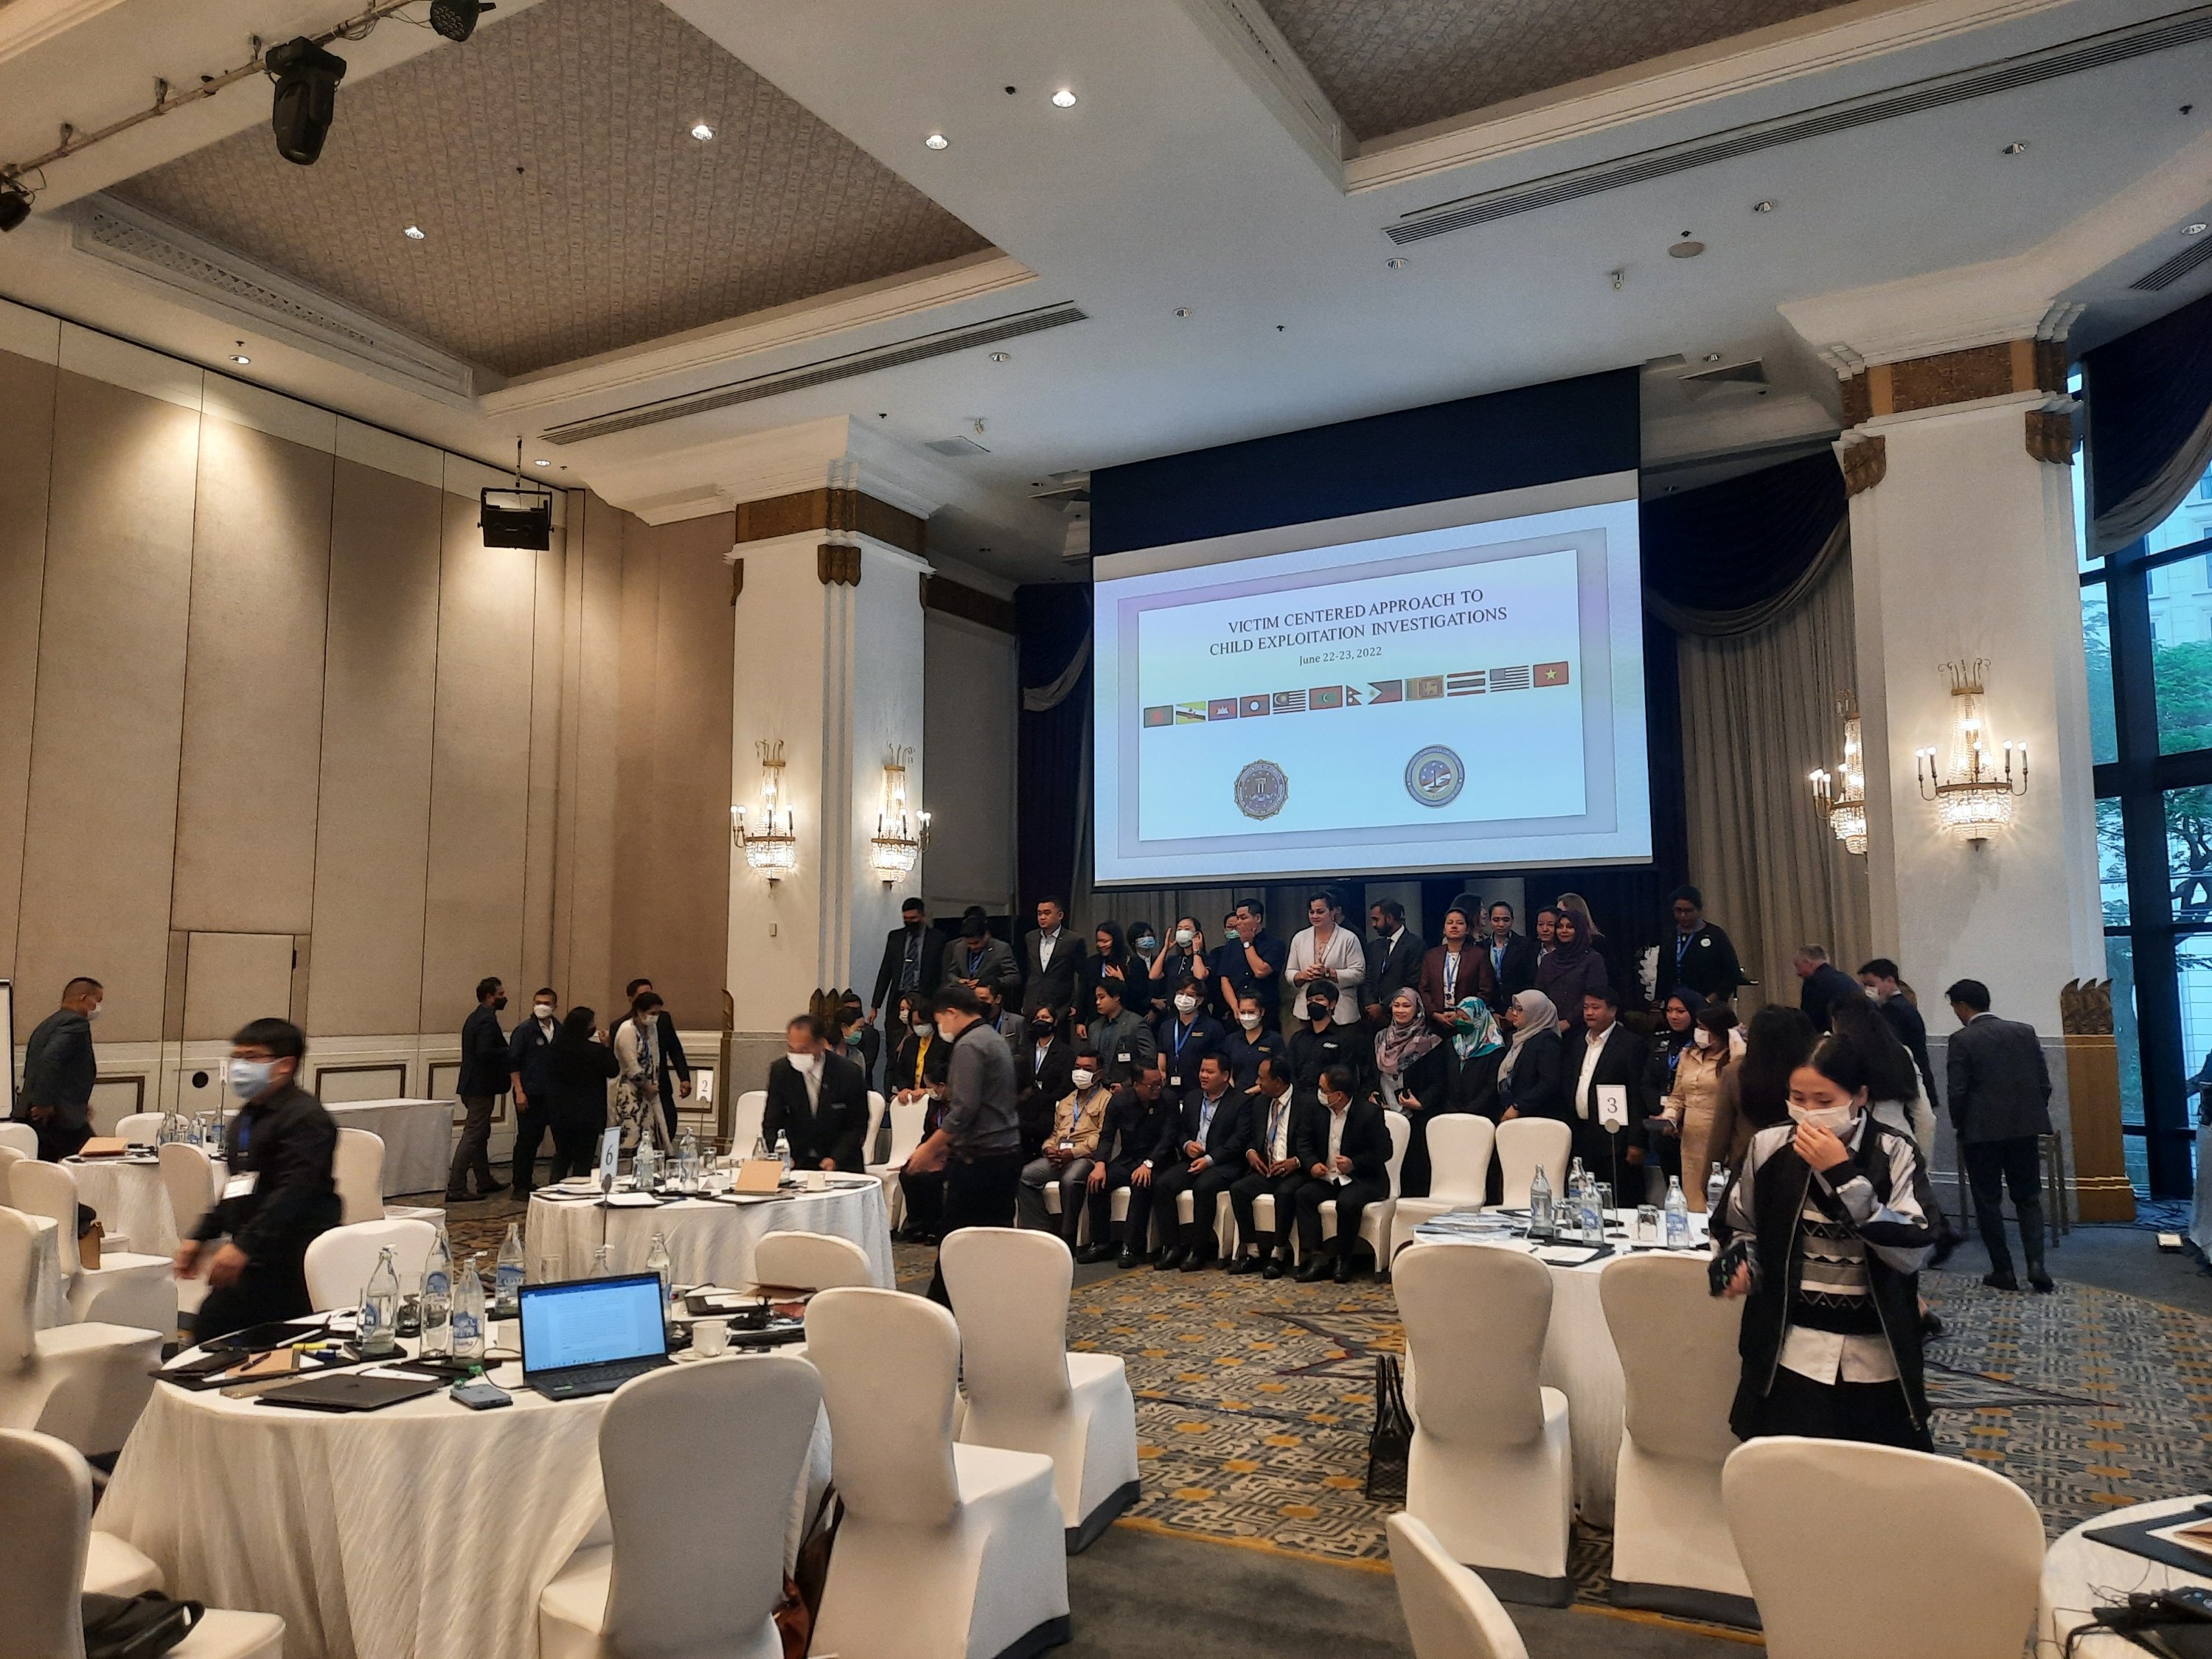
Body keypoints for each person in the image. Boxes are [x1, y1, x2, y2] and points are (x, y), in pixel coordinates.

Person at [1716, 1031, 1936, 1450]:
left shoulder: (1894, 1151)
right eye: (1798, 1098)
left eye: (1824, 1100)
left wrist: (1843, 1176)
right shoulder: (1768, 1145)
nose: (1809, 1113)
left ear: (1859, 1096)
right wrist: (1739, 1265)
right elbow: (1737, 1224)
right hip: (1790, 1349)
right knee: (1786, 1469)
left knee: (1877, 1475)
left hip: (1877, 1353)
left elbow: (1912, 1249)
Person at [175, 1018, 339, 1340]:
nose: (239, 1066)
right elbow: (239, 1185)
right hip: (255, 1250)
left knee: (235, 1334)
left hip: (293, 1255)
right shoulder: (249, 1116)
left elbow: (294, 1191)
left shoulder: (306, 1118)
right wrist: (201, 1235)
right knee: (213, 1331)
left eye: (251, 1057)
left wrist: (244, 1246)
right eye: (236, 1057)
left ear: (285, 1065)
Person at [904, 984, 1023, 1305]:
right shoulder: (993, 1038)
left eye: (939, 1020)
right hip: (1003, 1154)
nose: (940, 1028)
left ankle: (942, 1314)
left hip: (980, 1162)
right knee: (992, 1243)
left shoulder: (969, 1045)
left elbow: (964, 1110)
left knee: (956, 1245)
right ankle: (989, 1308)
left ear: (951, 1013)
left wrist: (929, 1148)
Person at [1944, 978, 2055, 1293]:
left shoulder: (1962, 1040)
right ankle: (2037, 1264)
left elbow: (1958, 1091)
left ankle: (2003, 1270)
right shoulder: (2024, 1032)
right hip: (2024, 1128)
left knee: (1988, 1201)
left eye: (1955, 1007)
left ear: (1962, 1006)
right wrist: (2030, 1114)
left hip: (1981, 1132)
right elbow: (2044, 1083)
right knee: (2028, 1197)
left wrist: (1960, 1125)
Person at [1149, 1052, 1250, 1272]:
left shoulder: (1241, 1101)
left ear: (1225, 1076)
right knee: (1163, 1184)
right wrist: (1186, 1144)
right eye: (1202, 1070)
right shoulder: (1193, 1098)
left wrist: (1210, 1159)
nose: (1203, 1075)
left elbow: (1239, 1140)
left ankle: (1198, 1250)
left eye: (1210, 1072)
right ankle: (1172, 1246)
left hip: (1223, 1164)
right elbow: (1179, 1129)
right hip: (1192, 1159)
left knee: (1203, 1187)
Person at [1293, 1065, 1392, 1283]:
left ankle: (1343, 1259)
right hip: (1328, 1176)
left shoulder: (1369, 1113)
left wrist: (1354, 1164)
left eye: (1323, 1090)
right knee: (1303, 1195)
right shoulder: (1315, 1108)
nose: (1319, 1093)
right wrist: (1312, 1164)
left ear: (1338, 1095)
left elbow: (1384, 1151)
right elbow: (1304, 1141)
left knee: (1347, 1203)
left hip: (1362, 1178)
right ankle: (1317, 1257)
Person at [1708, 1005, 1818, 1173]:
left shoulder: (1735, 1073)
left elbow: (1720, 1132)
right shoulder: (1804, 1073)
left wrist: (1709, 1176)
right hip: (1798, 1161)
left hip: (1746, 1164)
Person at [1018, 1045, 1109, 1243]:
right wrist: (1049, 1149)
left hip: (1085, 1158)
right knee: (1025, 1176)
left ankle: (1068, 1235)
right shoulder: (1067, 1101)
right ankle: (1040, 1231)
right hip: (1058, 1156)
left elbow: (1102, 1137)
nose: (1080, 1073)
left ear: (1099, 1074)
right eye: (1077, 1068)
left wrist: (1073, 1153)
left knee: (1071, 1180)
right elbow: (1054, 1133)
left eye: (1087, 1069)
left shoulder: (1107, 1100)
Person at [1568, 987, 1653, 1195]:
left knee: (1619, 1197)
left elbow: (1637, 1095)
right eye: (1586, 1007)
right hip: (1583, 1134)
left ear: (1613, 1011)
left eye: (1595, 1007)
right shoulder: (1577, 1042)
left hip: (1617, 1140)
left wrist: (1636, 1141)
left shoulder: (1631, 1044)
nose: (1589, 1013)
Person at [1087, 1062, 1174, 1267]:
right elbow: (1107, 1136)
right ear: (1136, 1085)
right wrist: (1100, 1164)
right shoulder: (1120, 1102)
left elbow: (1168, 1137)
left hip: (1158, 1160)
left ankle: (1131, 1246)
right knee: (1097, 1183)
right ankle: (1101, 1242)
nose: (1157, 1089)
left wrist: (1149, 1163)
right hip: (1128, 1158)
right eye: (1152, 1085)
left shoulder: (1168, 1100)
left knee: (1140, 1184)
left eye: (1160, 1083)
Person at [1227, 1056, 1307, 1277]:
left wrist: (1296, 1161)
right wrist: (1251, 1153)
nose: (1257, 1082)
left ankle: (1278, 1254)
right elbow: (1250, 1138)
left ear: (1278, 1082)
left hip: (1294, 1170)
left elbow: (1316, 1143)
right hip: (1267, 1168)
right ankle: (1253, 1252)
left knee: (1285, 1193)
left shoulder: (1305, 1103)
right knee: (1238, 1189)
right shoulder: (1260, 1103)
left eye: (1262, 1078)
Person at [763, 1013, 871, 1173]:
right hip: (797, 1162)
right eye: (792, 1049)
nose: (797, 1056)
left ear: (821, 1044)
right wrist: (782, 1155)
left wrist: (836, 1159)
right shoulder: (781, 1071)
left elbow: (857, 1125)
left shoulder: (848, 1072)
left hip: (840, 1163)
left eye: (804, 1050)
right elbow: (772, 1122)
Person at [1658, 1000, 1735, 1210]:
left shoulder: (1734, 1060)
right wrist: (1670, 1117)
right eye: (1698, 1027)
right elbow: (1677, 1096)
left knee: (1717, 1198)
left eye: (1704, 1028)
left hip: (1719, 1136)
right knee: (1693, 1198)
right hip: (1690, 1139)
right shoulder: (1688, 1055)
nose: (1698, 1032)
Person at [16, 975, 102, 1161]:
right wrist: (43, 1103)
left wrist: (77, 1104)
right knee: (93, 1161)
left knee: (46, 1167)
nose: (98, 1007)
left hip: (39, 1113)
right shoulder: (76, 1023)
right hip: (55, 1117)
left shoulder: (47, 1024)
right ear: (84, 998)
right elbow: (50, 1060)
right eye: (98, 1000)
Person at [889, 995, 952, 1242]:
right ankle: (917, 1223)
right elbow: (928, 1132)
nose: (917, 1027)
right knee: (909, 1172)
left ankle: (935, 1225)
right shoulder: (934, 1105)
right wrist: (919, 1153)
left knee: (932, 1177)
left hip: (951, 1154)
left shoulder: (957, 1104)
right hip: (933, 1148)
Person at [1377, 987, 1450, 1196]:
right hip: (1384, 1113)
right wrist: (1372, 1094)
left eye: (1406, 1006)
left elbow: (1440, 1081)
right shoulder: (1380, 1038)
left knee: (1413, 1172)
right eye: (1397, 1005)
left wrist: (1422, 1102)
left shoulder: (1431, 1041)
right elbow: (1369, 1074)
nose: (1400, 1010)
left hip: (1416, 1116)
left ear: (1417, 1010)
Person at [449, 976, 510, 1201]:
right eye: (501, 994)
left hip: (472, 1084)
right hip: (481, 1086)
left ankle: (484, 1180)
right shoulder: (486, 1020)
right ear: (490, 997)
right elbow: (485, 1052)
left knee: (481, 1133)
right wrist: (508, 1051)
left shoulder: (475, 1017)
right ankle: (456, 1186)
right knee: (474, 1135)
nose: (504, 998)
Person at [1643, 987, 1706, 1192]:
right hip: (1662, 1126)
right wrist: (1664, 1116)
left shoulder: (1703, 1045)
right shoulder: (1660, 1042)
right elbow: (1648, 1082)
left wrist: (1680, 1119)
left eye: (1680, 1011)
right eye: (1669, 1011)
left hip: (1692, 1127)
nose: (1673, 1016)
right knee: (1672, 1187)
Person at [545, 1007, 619, 1182]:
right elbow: (612, 1070)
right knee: (584, 1158)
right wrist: (607, 1046)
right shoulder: (595, 1051)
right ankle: (579, 1189)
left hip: (560, 1111)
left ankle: (553, 1188)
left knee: (562, 1155)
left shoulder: (555, 1048)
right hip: (588, 1112)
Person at [620, 978, 694, 1141]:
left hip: (661, 1085)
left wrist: (684, 1077)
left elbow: (674, 1048)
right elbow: (629, 1063)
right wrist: (645, 1085)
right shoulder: (624, 1027)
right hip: (635, 1091)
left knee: (668, 1125)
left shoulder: (660, 1021)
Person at [1858, 959, 1938, 1105]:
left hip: (1907, 1082)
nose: (1867, 990)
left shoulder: (1892, 1009)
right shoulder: (1904, 1005)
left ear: (1890, 980)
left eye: (1871, 984)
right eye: (1864, 985)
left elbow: (1888, 1044)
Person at [507, 987, 561, 1195]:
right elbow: (514, 1064)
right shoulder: (524, 1031)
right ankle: (521, 1185)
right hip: (530, 1093)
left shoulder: (560, 1030)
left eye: (546, 1003)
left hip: (554, 1094)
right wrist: (519, 1092)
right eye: (538, 1002)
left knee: (561, 1140)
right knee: (528, 1141)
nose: (542, 1006)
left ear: (554, 1006)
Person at [1287, 981, 1371, 1107]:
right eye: (1310, 1000)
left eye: (1319, 1000)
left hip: (1329, 1102)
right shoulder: (1298, 1038)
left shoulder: (1344, 1040)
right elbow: (1290, 1070)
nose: (1313, 1004)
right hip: (1298, 1101)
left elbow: (1346, 1075)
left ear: (1332, 1004)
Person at [1419, 902, 1495, 1040]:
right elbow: (1424, 989)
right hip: (1436, 1022)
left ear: (1467, 929)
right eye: (1450, 923)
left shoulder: (1478, 955)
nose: (1454, 926)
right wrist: (1435, 1014)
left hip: (1468, 1022)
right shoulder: (1432, 956)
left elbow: (1486, 991)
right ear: (1444, 930)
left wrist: (1462, 1014)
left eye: (1459, 923)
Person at [1288, 892, 1365, 1027]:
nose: (1315, 916)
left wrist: (1329, 973)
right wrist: (1305, 975)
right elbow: (1290, 972)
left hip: (1341, 1011)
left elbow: (1359, 974)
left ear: (1333, 911)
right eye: (1311, 912)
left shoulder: (1349, 938)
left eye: (1320, 912)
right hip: (1307, 1011)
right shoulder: (1299, 938)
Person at [870, 897, 947, 1030]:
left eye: (913, 918)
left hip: (924, 998)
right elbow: (885, 971)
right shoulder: (896, 937)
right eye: (906, 919)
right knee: (894, 1036)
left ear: (923, 916)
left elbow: (941, 973)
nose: (909, 922)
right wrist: (875, 1006)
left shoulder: (937, 938)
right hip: (898, 998)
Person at [1210, 900, 1288, 1029]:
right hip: (1237, 1011)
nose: (1238, 922)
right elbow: (1225, 979)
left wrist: (1247, 943)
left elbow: (1260, 971)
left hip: (1265, 1013)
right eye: (1237, 918)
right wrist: (1235, 1006)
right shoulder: (1231, 945)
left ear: (1257, 918)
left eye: (1243, 918)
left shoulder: (1275, 944)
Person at [1014, 999, 1076, 1158]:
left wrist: (1045, 1099)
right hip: (1026, 1110)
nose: (1041, 1021)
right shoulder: (1024, 1050)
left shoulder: (1065, 1052)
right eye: (1038, 1018)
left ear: (1054, 1021)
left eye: (1046, 1017)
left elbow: (1066, 1085)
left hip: (1051, 1109)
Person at [1495, 989, 1565, 1125]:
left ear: (1536, 1013)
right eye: (1514, 1008)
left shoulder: (1547, 1042)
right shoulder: (1517, 1037)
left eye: (1520, 1010)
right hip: (1511, 1112)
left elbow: (1549, 1083)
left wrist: (1518, 1106)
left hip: (1534, 1117)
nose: (1514, 1013)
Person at [1535, 908, 1607, 1040]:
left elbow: (1595, 994)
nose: (1564, 931)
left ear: (1579, 930)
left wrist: (1569, 1021)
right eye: (1560, 927)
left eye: (1570, 927)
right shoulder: (1548, 960)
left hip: (1582, 1027)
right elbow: (1540, 993)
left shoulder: (1593, 959)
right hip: (1549, 1026)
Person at [1665, 886, 1745, 1004]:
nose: (1683, 915)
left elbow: (1732, 973)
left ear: (1698, 909)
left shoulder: (1715, 934)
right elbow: (1663, 973)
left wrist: (1711, 999)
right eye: (1678, 910)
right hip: (1676, 1003)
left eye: (1688, 911)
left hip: (1709, 1004)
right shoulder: (1670, 935)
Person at [1156, 975, 1228, 1106]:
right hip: (1169, 1092)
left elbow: (1220, 1061)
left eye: (1190, 995)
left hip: (1199, 1093)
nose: (1183, 998)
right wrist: (1161, 1074)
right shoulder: (1166, 1026)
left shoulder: (1212, 1027)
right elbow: (1162, 1055)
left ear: (1200, 1000)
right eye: (1180, 993)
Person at [612, 990, 668, 1152]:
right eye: (652, 1013)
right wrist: (646, 1086)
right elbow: (630, 1063)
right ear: (639, 1011)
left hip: (649, 1092)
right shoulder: (627, 1030)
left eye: (658, 1013)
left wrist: (654, 1084)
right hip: (630, 1091)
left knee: (649, 1134)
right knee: (632, 1133)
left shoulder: (651, 1028)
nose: (655, 1017)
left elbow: (655, 1057)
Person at [1363, 900, 1426, 1027]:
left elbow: (1412, 981)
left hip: (1401, 1014)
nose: (1373, 924)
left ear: (1389, 918)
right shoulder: (1375, 946)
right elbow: (1368, 979)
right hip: (1373, 1019)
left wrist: (1383, 1007)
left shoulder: (1415, 945)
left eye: (1376, 919)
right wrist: (1371, 1006)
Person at [1020, 895, 1087, 1017]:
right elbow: (1029, 971)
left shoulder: (1073, 940)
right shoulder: (1030, 937)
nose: (1042, 917)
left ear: (1060, 915)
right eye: (1039, 914)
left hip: (1060, 1006)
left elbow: (1084, 975)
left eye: (1047, 913)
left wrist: (1076, 1004)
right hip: (1032, 1004)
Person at [1082, 920, 1150, 1034]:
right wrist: (1080, 1021)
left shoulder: (1134, 963)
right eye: (1099, 941)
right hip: (1097, 1021)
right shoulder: (1092, 963)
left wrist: (1123, 980)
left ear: (1116, 940)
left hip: (1127, 1023)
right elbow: (1084, 992)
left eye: (1105, 941)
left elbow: (1142, 994)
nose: (1101, 945)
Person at [1088, 977, 1158, 1085]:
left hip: (1127, 1087)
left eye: (1102, 997)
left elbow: (1149, 1060)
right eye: (1096, 998)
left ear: (1116, 997)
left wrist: (1126, 1085)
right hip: (1098, 1086)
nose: (1098, 1002)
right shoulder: (1094, 1027)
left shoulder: (1136, 1024)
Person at [943, 908, 1020, 1001]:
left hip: (988, 1000)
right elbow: (951, 974)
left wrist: (988, 982)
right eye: (969, 943)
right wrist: (959, 981)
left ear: (986, 935)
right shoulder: (959, 947)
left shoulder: (1001, 948)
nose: (972, 947)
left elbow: (1014, 977)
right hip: (964, 1000)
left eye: (976, 943)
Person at [1484, 902, 1539, 1012]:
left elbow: (1530, 978)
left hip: (1519, 1003)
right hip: (1490, 1005)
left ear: (1513, 920)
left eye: (1506, 920)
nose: (1501, 924)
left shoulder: (1526, 944)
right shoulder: (1482, 946)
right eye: (1496, 920)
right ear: (1490, 921)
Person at [1148, 915, 1212, 1010]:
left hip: (1198, 1009)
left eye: (1187, 929)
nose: (1182, 932)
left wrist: (1196, 951)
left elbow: (1200, 976)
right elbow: (1153, 976)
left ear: (1197, 934)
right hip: (1174, 1010)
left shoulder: (1207, 959)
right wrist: (1165, 949)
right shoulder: (1173, 960)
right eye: (1179, 929)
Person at [1794, 945, 1860, 1034]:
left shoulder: (1812, 983)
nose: (1797, 972)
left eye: (1797, 966)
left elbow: (1811, 1021)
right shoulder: (1846, 979)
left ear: (1808, 962)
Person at [832, 990, 880, 1091]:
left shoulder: (858, 1055)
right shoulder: (826, 1050)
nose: (860, 1033)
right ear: (843, 1027)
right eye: (858, 1029)